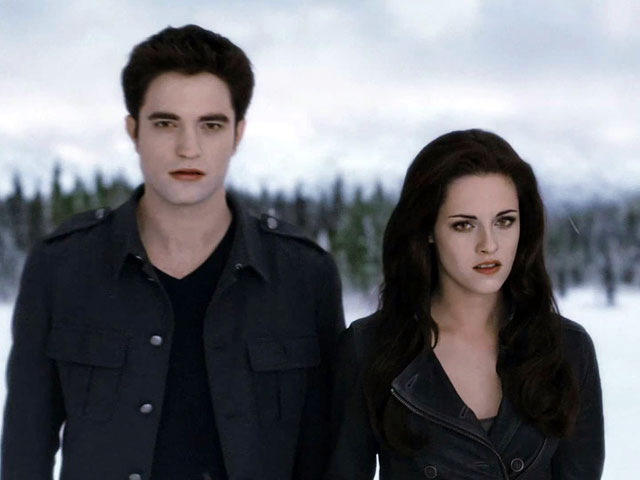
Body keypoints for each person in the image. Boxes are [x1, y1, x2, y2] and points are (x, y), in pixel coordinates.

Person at [2, 25, 345, 480]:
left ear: (238, 134)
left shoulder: (305, 275)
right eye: (166, 123)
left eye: (211, 125)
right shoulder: (61, 267)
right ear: (134, 130)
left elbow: (328, 455)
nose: (188, 148)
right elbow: (24, 450)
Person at [326, 129, 604, 479]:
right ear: (427, 230)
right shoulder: (368, 349)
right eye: (464, 225)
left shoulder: (568, 349)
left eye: (504, 221)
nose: (488, 244)